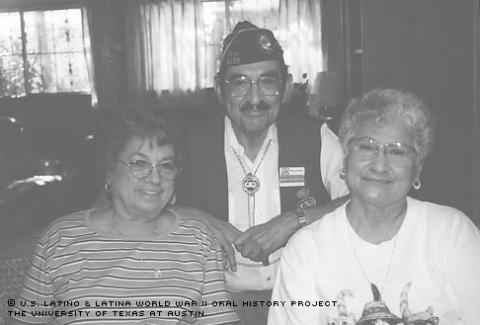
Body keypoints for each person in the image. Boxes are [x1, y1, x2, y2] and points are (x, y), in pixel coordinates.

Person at [175, 21, 348, 324]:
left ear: (286, 87)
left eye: (268, 82)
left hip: (301, 297)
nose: (254, 99)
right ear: (219, 89)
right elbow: (142, 206)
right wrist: (196, 218)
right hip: (215, 302)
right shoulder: (188, 143)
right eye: (239, 82)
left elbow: (360, 201)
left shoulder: (315, 136)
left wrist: (295, 220)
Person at [268, 88, 480, 325]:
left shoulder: (452, 233)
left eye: (397, 151)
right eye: (367, 147)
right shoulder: (307, 248)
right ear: (345, 159)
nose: (380, 164)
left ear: (417, 169)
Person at [9, 108, 239, 325]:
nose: (155, 178)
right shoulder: (62, 238)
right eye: (139, 164)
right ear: (109, 170)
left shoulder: (197, 238)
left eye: (166, 166)